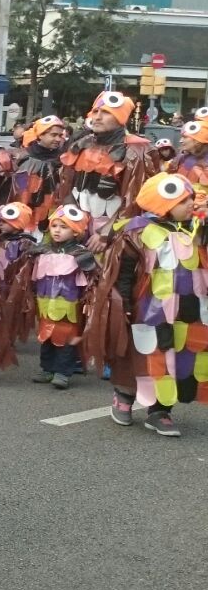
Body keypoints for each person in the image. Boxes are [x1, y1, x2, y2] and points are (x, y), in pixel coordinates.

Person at [106, 173, 205, 437]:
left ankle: (161, 410)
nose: (191, 204)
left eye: (192, 199)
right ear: (164, 203)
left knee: (175, 357)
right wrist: (123, 303)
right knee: (140, 354)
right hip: (147, 309)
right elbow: (123, 271)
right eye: (183, 200)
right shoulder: (137, 231)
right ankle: (124, 396)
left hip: (186, 310)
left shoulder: (197, 231)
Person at [7, 205, 96, 389]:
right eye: (54, 226)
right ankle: (47, 368)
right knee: (46, 335)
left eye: (64, 227)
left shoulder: (81, 253)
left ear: (76, 231)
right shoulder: (43, 250)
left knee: (65, 337)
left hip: (69, 304)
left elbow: (92, 279)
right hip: (46, 302)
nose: (57, 230)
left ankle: (62, 372)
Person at [57, 91, 150, 239]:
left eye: (106, 112)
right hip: (78, 229)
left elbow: (134, 201)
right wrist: (70, 219)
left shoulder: (136, 152)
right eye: (95, 111)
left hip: (113, 234)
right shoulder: (81, 145)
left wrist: (107, 233)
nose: (97, 117)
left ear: (120, 118)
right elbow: (66, 185)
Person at [9, 115, 68, 227]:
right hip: (22, 214)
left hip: (52, 217)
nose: (58, 139)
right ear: (40, 135)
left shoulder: (63, 159)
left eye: (60, 135)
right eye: (53, 135)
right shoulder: (21, 157)